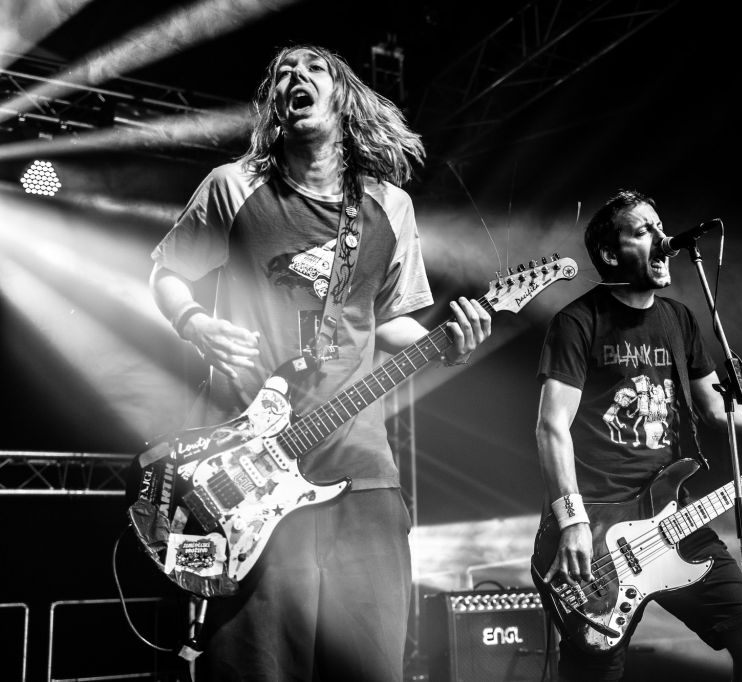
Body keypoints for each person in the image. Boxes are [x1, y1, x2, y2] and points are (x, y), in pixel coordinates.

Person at [149, 44, 490, 682]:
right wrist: (195, 324)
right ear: (275, 105)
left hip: (361, 469)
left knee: (371, 666)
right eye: (282, 72)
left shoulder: (390, 205)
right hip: (251, 476)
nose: (294, 77)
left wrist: (449, 343)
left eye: (313, 69)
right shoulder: (233, 186)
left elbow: (388, 322)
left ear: (343, 97)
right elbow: (166, 272)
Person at [535, 189, 742, 682]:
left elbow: (718, 409)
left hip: (672, 518)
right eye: (644, 231)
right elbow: (551, 425)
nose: (664, 240)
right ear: (610, 254)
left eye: (662, 227)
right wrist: (572, 521)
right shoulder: (577, 322)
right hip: (597, 532)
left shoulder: (678, 319)